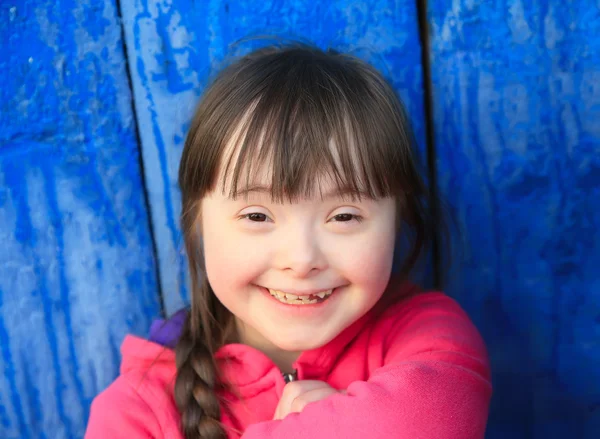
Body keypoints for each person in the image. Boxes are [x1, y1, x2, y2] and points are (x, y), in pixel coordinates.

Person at [85, 43, 492, 439]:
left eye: (344, 216)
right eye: (258, 216)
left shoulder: (426, 339)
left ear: (397, 221)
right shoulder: (137, 411)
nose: (300, 260)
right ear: (197, 222)